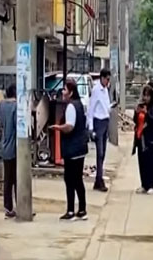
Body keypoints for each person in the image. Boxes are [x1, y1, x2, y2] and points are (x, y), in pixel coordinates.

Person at [51, 78, 89, 221]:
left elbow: (69, 127)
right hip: (80, 148)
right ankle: (82, 209)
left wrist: (58, 127)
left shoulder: (71, 107)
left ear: (71, 92)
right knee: (78, 179)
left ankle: (71, 210)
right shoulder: (79, 104)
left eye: (65, 89)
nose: (62, 92)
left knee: (70, 179)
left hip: (72, 149)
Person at [0, 84, 18, 218]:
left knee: (8, 179)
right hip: (16, 148)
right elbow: (18, 126)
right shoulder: (16, 107)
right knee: (17, 179)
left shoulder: (1, 105)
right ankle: (21, 206)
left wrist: (0, 123)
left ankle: (8, 208)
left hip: (5, 146)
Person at [87, 68, 112, 192]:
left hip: (105, 121)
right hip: (98, 122)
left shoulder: (105, 90)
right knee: (100, 153)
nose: (108, 82)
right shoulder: (96, 90)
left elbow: (105, 106)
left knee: (103, 154)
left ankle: (99, 178)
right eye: (107, 79)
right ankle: (99, 179)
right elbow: (91, 109)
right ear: (102, 78)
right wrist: (91, 128)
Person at [132, 85, 153, 195]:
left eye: (148, 96)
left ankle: (151, 185)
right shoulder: (141, 105)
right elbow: (136, 120)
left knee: (150, 163)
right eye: (144, 95)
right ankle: (144, 184)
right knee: (142, 162)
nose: (146, 98)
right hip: (141, 138)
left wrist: (147, 113)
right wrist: (136, 112)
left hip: (151, 140)